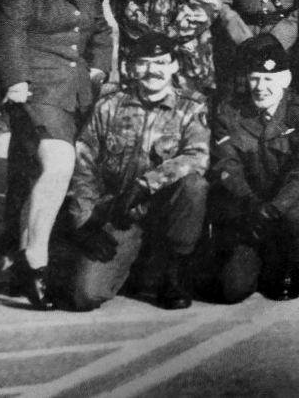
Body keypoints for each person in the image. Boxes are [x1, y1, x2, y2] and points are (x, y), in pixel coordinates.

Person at [0, 0, 113, 309]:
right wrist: (15, 81)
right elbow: (7, 31)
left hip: (76, 92)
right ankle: (35, 262)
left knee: (46, 175)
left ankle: (23, 255)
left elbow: (100, 30)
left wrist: (100, 66)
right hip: (37, 90)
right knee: (58, 165)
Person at [65, 33, 210, 311]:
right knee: (85, 295)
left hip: (166, 211)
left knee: (194, 187)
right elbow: (83, 164)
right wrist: (84, 224)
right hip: (121, 212)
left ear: (174, 65)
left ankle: (174, 272)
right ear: (130, 68)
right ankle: (137, 262)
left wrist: (145, 185)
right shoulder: (109, 106)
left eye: (161, 62)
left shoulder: (192, 107)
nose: (152, 71)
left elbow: (197, 157)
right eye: (143, 63)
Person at [210, 36, 299, 303]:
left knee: (298, 215)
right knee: (232, 290)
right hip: (247, 206)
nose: (261, 87)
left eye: (269, 79)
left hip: (284, 204)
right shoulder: (229, 111)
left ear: (285, 80)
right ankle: (259, 257)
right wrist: (252, 205)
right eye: (255, 78)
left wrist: (273, 208)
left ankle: (292, 262)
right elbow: (226, 165)